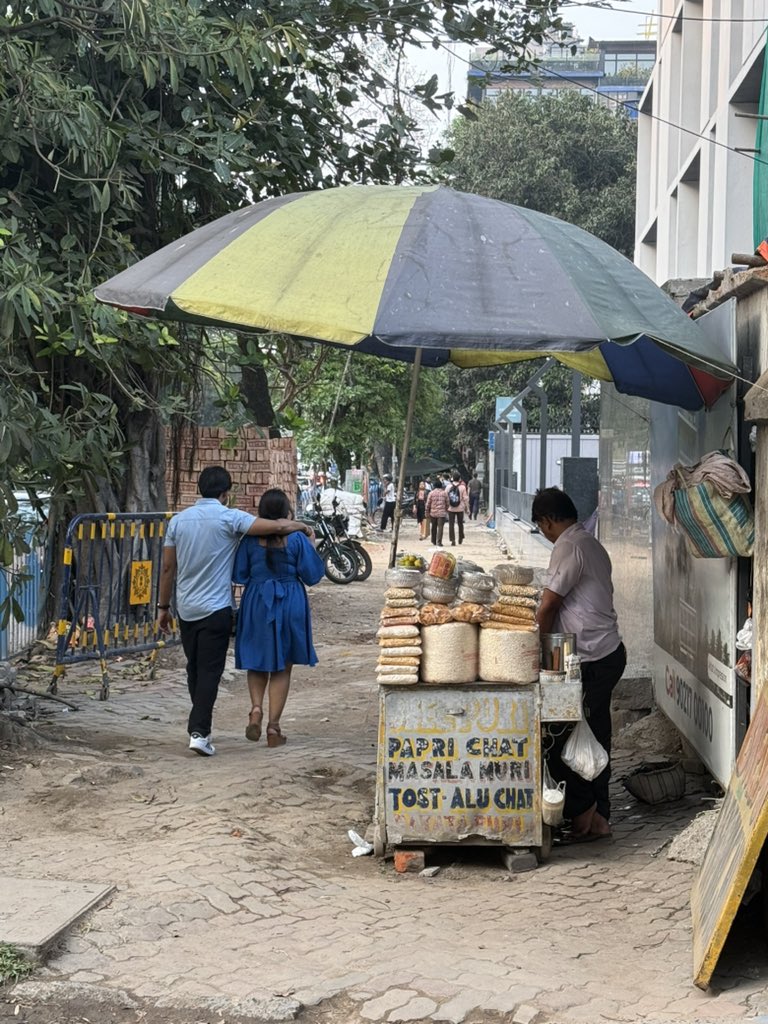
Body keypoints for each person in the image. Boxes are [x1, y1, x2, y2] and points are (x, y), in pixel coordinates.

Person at [157, 466, 312, 758]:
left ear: (198, 489)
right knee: (210, 671)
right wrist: (301, 527)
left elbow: (167, 567)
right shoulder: (230, 518)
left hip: (186, 607)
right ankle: (200, 731)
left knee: (195, 668)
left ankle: (203, 723)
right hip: (216, 608)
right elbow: (275, 528)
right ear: (226, 493)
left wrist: (163, 607)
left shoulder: (178, 521)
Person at [532, 487, 626, 842]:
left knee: (562, 740)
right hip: (608, 652)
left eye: (542, 524)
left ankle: (584, 812)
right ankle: (599, 816)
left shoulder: (568, 546)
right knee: (595, 738)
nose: (543, 530)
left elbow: (549, 606)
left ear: (547, 521)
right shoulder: (590, 543)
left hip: (590, 658)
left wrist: (536, 652)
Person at [233, 489, 324, 748]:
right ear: (286, 512)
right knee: (283, 665)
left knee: (257, 660)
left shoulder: (250, 540)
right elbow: (312, 575)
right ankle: (273, 727)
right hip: (290, 599)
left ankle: (255, 709)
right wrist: (311, 544)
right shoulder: (296, 539)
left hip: (257, 601)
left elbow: (239, 574)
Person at [447, 473, 468, 546]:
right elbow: (465, 498)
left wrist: (446, 506)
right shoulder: (463, 487)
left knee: (451, 524)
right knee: (460, 524)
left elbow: (446, 497)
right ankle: (460, 538)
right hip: (460, 508)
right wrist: (467, 508)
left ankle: (452, 539)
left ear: (452, 478)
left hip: (451, 508)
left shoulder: (448, 487)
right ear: (459, 479)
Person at [425, 479, 448, 546]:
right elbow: (447, 503)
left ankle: (433, 540)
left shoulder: (431, 493)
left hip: (433, 513)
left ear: (434, 486)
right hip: (441, 513)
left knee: (434, 527)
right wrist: (446, 509)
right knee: (440, 527)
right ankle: (439, 542)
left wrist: (427, 511)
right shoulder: (444, 493)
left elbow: (428, 503)